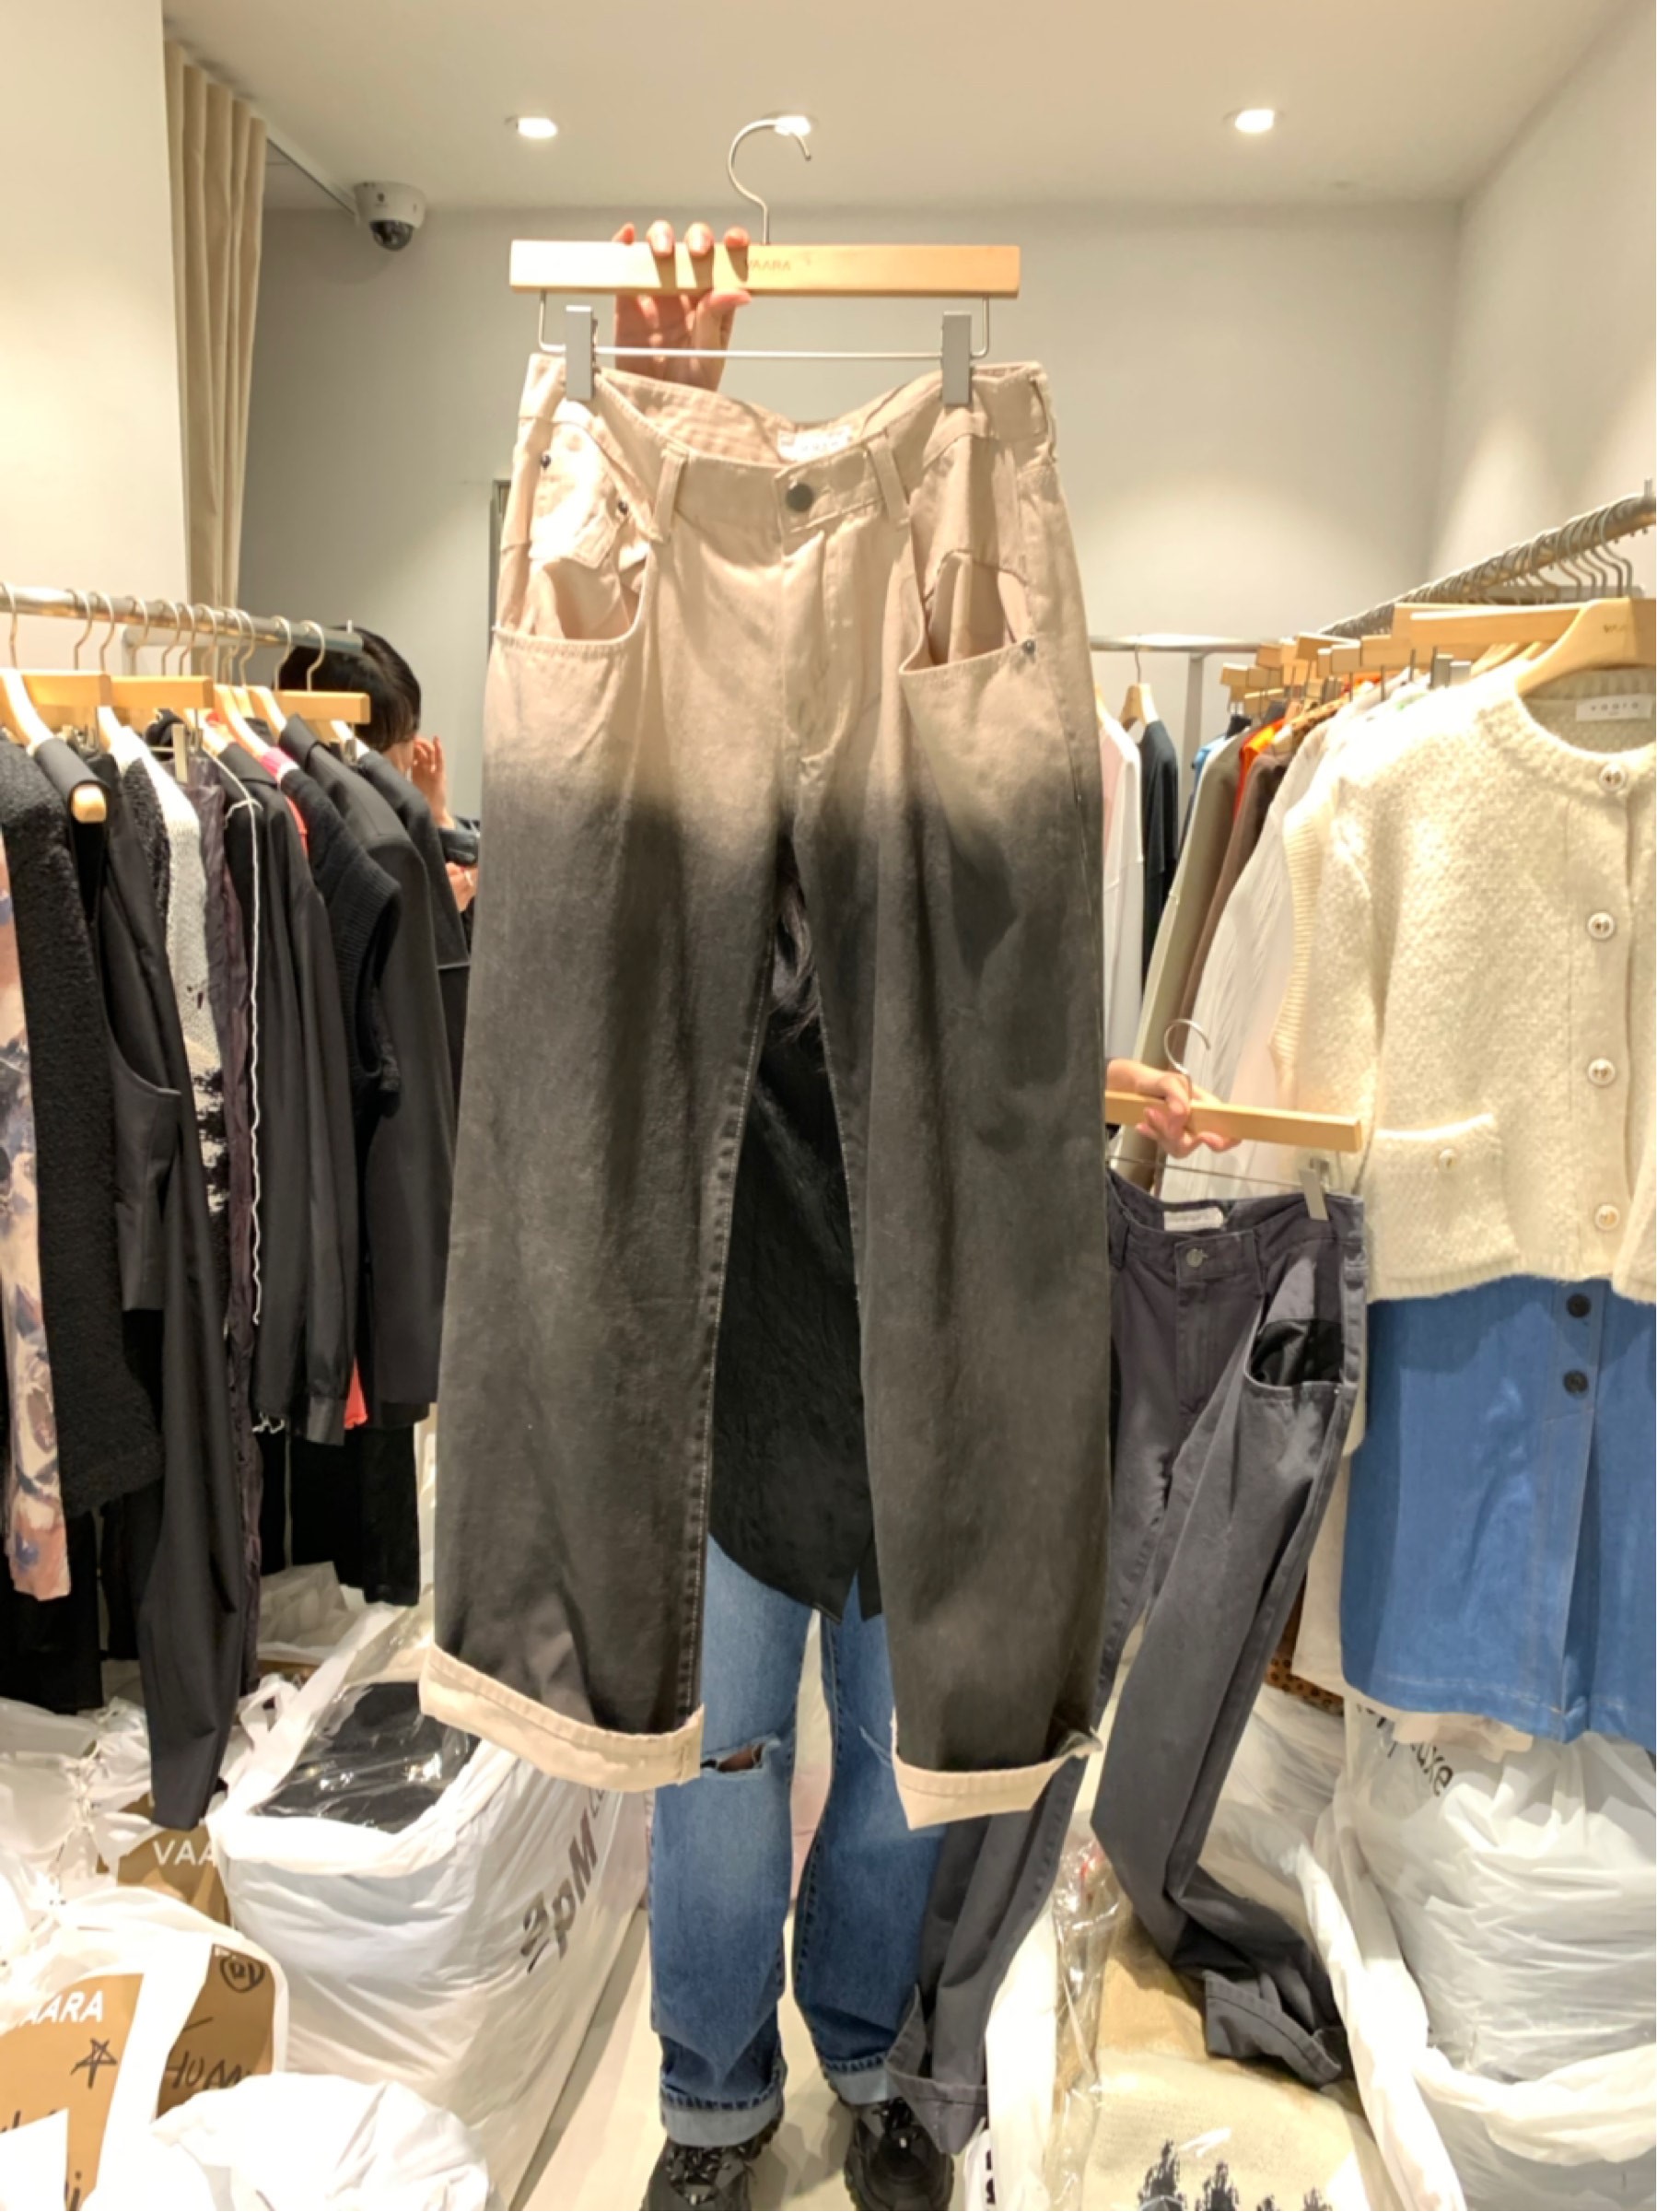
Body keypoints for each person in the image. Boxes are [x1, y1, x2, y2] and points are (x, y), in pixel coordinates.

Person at [613, 223, 1234, 2212]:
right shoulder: (693, 822)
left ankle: (870, 2055)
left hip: (921, 1380)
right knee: (717, 1778)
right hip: (733, 1372)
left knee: (894, 1764)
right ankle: (711, 2103)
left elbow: (990, 1045)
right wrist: (663, 401)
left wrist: (1078, 1099)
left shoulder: (967, 803)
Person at [275, 627, 477, 915]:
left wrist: (438, 818)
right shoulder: (299, 821)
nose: (398, 764)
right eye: (378, 748)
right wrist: (432, 915)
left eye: (407, 737)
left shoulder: (401, 812)